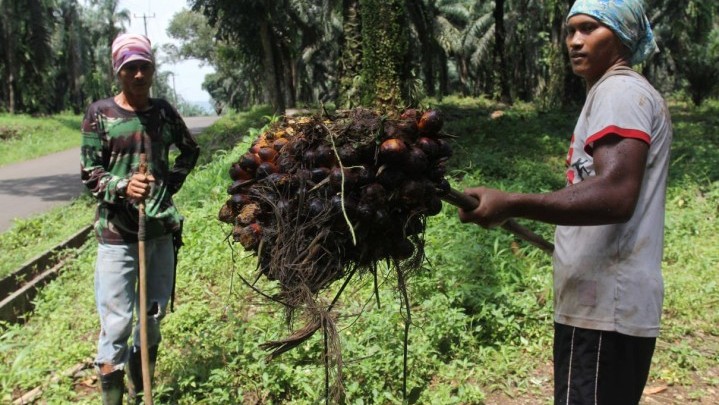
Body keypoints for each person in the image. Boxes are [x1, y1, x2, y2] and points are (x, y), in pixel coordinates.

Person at [458, 1, 672, 404]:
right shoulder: (618, 92)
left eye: (590, 28)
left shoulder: (619, 91)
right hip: (608, 305)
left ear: (622, 34)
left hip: (603, 306)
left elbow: (616, 194)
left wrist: (513, 202)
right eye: (570, 30)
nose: (575, 40)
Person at [81, 33, 200, 405]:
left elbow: (190, 151)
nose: (137, 75)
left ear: (152, 69)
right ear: (118, 72)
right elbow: (90, 173)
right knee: (116, 326)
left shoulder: (162, 112)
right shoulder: (100, 115)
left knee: (152, 316)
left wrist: (167, 188)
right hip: (117, 236)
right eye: (129, 68)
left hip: (159, 233)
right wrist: (122, 187)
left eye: (143, 66)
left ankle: (141, 392)